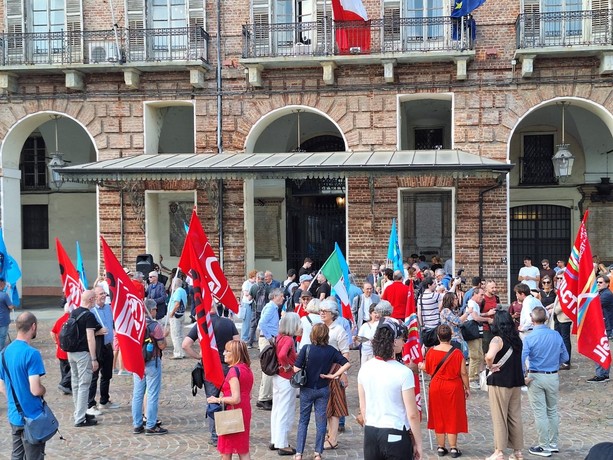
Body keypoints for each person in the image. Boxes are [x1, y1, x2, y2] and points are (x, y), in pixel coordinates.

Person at [358, 317, 423, 460]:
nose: (405, 342)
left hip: (371, 433)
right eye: (402, 339)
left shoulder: (365, 368)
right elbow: (412, 414)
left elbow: (363, 408)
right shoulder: (403, 372)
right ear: (394, 341)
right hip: (396, 432)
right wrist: (418, 443)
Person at [183, 302, 239, 446]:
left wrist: (198, 356)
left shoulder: (201, 325)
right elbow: (238, 344)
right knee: (228, 398)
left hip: (210, 367)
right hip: (228, 365)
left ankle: (215, 436)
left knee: (213, 399)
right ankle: (230, 430)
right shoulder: (228, 323)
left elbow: (185, 345)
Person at [294, 323, 351, 460]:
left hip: (307, 388)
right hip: (323, 388)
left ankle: (298, 453)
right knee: (321, 423)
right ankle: (318, 453)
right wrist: (334, 375)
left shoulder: (306, 348)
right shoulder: (331, 350)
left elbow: (296, 369)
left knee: (303, 421)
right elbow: (347, 363)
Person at [0, 312, 49, 459]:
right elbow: (35, 390)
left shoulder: (4, 352)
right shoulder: (31, 353)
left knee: (17, 456)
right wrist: (43, 389)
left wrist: (14, 400)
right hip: (32, 416)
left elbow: (1, 384)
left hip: (15, 415)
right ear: (33, 326)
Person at [522, 306, 568, 457]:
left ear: (531, 318)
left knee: (540, 412)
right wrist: (555, 362)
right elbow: (565, 357)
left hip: (536, 375)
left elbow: (522, 359)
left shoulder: (529, 337)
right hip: (552, 375)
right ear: (546, 318)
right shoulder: (556, 335)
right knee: (552, 410)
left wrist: (522, 375)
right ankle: (553, 443)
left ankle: (544, 446)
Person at [418, 324, 468, 458]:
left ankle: (441, 447)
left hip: (436, 387)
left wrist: (421, 366)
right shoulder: (457, 353)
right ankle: (453, 448)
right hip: (453, 386)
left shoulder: (431, 352)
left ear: (438, 337)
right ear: (450, 336)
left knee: (438, 416)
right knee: (452, 416)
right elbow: (463, 372)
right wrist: (467, 387)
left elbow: (428, 369)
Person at [484, 310, 525, 460]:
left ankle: (499, 451)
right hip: (515, 381)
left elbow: (489, 356)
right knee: (515, 416)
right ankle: (517, 452)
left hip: (500, 381)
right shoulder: (517, 339)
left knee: (499, 416)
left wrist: (490, 365)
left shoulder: (497, 339)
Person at [207, 340, 254, 460]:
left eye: (227, 351)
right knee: (243, 449)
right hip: (244, 411)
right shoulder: (247, 369)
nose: (224, 353)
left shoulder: (234, 371)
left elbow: (235, 398)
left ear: (235, 354)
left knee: (226, 450)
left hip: (232, 412)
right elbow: (249, 395)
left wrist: (217, 399)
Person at [132, 299, 168, 435]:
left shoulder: (135, 324)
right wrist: (165, 336)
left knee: (137, 394)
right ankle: (151, 425)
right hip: (152, 361)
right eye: (155, 310)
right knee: (152, 394)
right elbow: (162, 345)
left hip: (138, 363)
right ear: (151, 310)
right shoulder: (154, 326)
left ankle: (137, 424)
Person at [68, 289, 102, 427]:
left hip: (71, 353)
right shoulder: (89, 316)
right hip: (82, 354)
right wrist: (94, 358)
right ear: (91, 299)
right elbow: (90, 337)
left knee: (76, 384)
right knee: (84, 385)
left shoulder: (74, 312)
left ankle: (78, 413)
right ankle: (80, 418)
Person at [318, 299, 349, 450]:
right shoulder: (319, 328)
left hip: (334, 371)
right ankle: (328, 435)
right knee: (325, 406)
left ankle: (333, 438)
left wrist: (343, 373)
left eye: (325, 311)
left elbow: (345, 354)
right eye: (321, 310)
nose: (322, 313)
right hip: (321, 371)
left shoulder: (339, 330)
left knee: (335, 405)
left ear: (333, 314)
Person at [270, 312, 301, 455]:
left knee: (277, 408)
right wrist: (288, 366)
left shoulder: (279, 337)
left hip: (278, 376)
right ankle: (282, 443)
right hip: (285, 376)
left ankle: (276, 439)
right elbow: (282, 355)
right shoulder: (288, 339)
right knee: (284, 409)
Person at [87, 286, 119, 416]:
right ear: (94, 296)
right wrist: (98, 332)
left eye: (104, 293)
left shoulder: (108, 308)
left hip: (107, 345)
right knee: (94, 376)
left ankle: (104, 400)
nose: (104, 295)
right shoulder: (91, 311)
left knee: (107, 374)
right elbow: (87, 333)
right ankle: (90, 404)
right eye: (101, 294)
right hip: (97, 345)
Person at [257, 288, 285, 411]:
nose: (283, 298)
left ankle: (266, 396)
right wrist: (269, 338)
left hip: (270, 338)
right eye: (281, 296)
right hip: (267, 339)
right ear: (275, 296)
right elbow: (262, 323)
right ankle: (264, 398)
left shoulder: (272, 307)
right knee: (268, 368)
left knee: (269, 367)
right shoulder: (270, 308)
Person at [587, 274, 612, 383]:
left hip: (604, 327)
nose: (598, 284)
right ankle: (603, 374)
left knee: (601, 350)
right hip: (601, 326)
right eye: (597, 282)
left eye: (600, 282)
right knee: (601, 350)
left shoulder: (606, 294)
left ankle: (601, 374)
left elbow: (593, 305)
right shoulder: (601, 293)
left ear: (607, 284)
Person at [465, 287, 490, 389]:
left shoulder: (475, 305)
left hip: (477, 331)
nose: (483, 297)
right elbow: (475, 317)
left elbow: (477, 315)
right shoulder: (471, 303)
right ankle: (472, 378)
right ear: (475, 294)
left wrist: (487, 314)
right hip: (472, 331)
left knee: (479, 354)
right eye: (481, 295)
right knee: (475, 355)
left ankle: (475, 376)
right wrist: (488, 319)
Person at [50, 303, 72, 395]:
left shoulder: (60, 320)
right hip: (69, 350)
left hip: (60, 350)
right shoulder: (72, 319)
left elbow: (52, 332)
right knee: (72, 369)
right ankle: (64, 384)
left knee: (64, 370)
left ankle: (66, 388)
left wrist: (56, 342)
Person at [439, 291, 469, 357]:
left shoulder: (452, 311)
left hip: (457, 338)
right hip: (452, 339)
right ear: (451, 300)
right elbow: (457, 321)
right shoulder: (446, 311)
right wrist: (467, 313)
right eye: (455, 298)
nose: (457, 300)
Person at [168, 277, 187, 359]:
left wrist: (171, 313)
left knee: (175, 335)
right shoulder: (183, 291)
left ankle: (178, 353)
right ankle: (182, 352)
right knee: (181, 334)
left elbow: (177, 304)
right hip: (181, 314)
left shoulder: (178, 292)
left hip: (176, 315)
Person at [240, 270, 257, 343]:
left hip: (253, 303)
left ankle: (252, 336)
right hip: (247, 303)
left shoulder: (255, 284)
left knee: (253, 321)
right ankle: (244, 337)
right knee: (246, 321)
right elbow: (246, 293)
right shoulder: (246, 283)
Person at [0, 278, 14, 352]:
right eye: (4, 283)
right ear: (1, 283)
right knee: (2, 337)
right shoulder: (4, 295)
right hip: (3, 320)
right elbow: (10, 306)